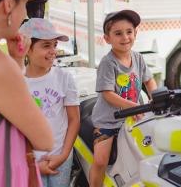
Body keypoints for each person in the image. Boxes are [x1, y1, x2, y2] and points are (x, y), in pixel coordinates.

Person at [0, 0, 53, 186]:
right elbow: (45, 139)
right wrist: (12, 64)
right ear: (8, 4)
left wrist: (16, 59)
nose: (26, 13)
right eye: (24, 4)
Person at [90, 10, 157, 187]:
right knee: (100, 161)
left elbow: (149, 81)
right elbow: (107, 94)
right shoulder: (108, 63)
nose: (125, 37)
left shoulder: (138, 58)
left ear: (136, 33)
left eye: (129, 32)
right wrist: (132, 106)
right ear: (107, 38)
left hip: (134, 116)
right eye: (118, 33)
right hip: (109, 121)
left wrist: (157, 98)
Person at [20, 18, 80, 187]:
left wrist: (63, 155)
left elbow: (74, 119)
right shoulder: (17, 83)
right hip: (28, 161)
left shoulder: (64, 78)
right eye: (46, 46)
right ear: (27, 49)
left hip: (60, 157)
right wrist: (31, 162)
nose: (53, 51)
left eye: (54, 45)